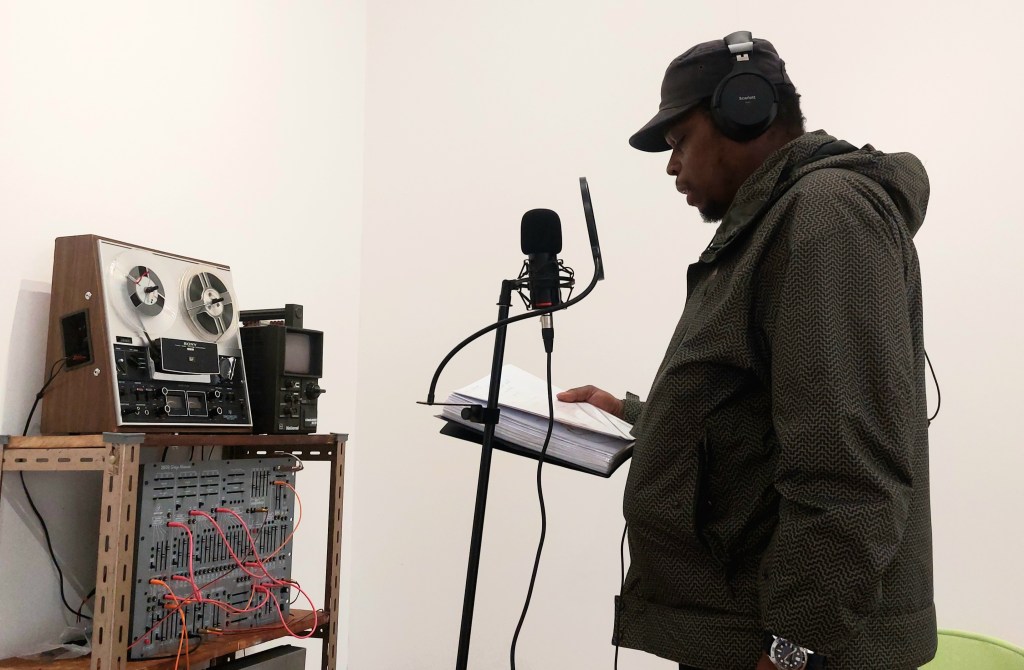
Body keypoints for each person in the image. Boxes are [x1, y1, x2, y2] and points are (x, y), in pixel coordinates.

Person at [557, 31, 935, 670]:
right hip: (749, 633)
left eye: (679, 140)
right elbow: (754, 429)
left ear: (744, 109)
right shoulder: (779, 225)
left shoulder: (826, 217)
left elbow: (849, 469)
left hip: (790, 649)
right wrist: (632, 416)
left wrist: (792, 649)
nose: (671, 165)